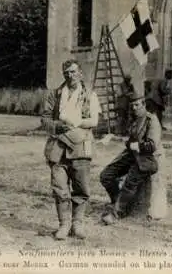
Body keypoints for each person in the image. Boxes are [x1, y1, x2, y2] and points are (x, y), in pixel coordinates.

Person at [40, 59, 101, 240]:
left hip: (81, 146)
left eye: (73, 72)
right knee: (59, 187)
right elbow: (44, 119)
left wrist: (77, 123)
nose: (70, 76)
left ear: (80, 73)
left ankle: (77, 223)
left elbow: (94, 121)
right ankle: (64, 224)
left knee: (81, 188)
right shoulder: (55, 95)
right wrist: (58, 126)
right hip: (58, 147)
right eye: (66, 73)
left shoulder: (90, 95)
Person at [100, 92, 166, 225]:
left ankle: (116, 213)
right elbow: (130, 140)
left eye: (137, 105)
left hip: (146, 158)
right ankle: (118, 201)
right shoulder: (134, 120)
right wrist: (114, 138)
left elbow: (152, 145)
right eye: (132, 106)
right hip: (132, 155)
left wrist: (138, 145)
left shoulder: (151, 120)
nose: (134, 108)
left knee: (130, 182)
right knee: (106, 175)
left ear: (144, 104)